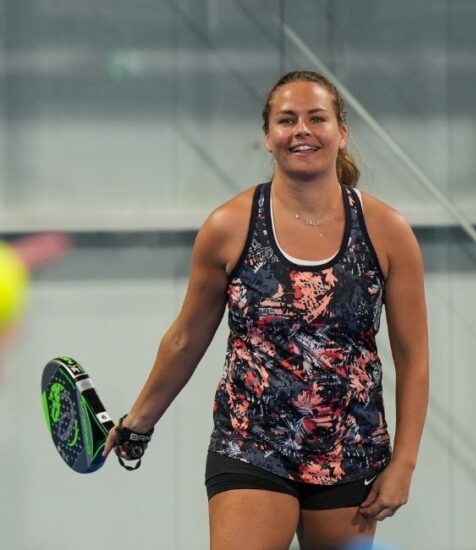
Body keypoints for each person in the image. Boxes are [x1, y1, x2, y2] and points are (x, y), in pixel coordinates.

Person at [104, 70, 429, 550]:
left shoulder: (388, 231)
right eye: (287, 120)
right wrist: (139, 421)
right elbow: (185, 338)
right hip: (250, 443)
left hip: (349, 449)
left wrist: (403, 464)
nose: (302, 130)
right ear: (268, 137)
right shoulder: (228, 226)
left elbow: (414, 358)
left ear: (341, 133)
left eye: (317, 118)